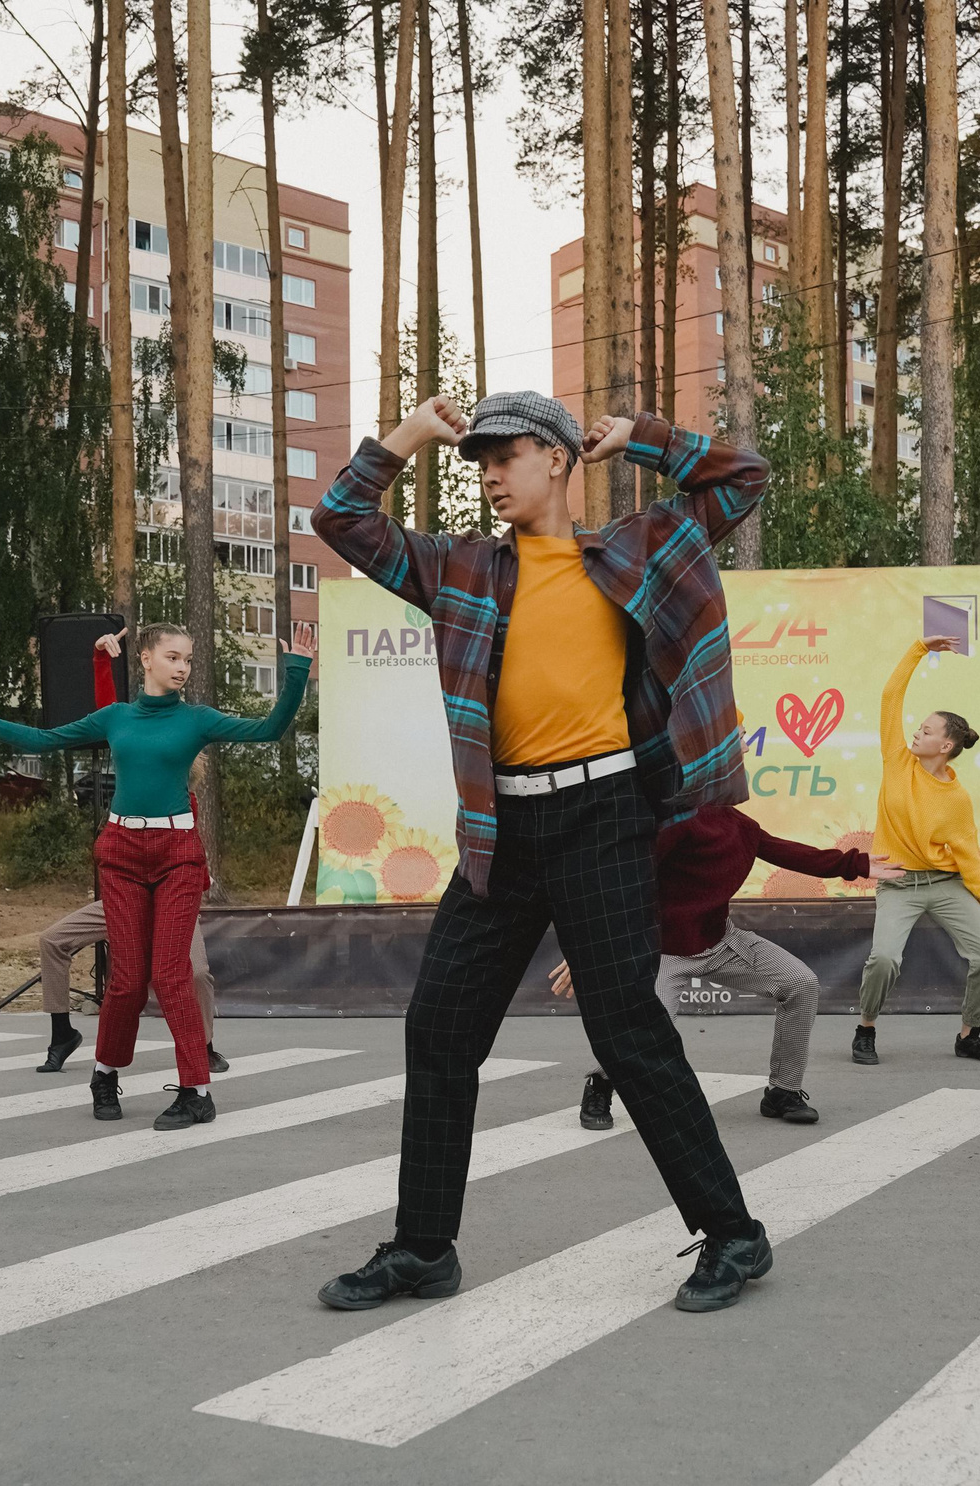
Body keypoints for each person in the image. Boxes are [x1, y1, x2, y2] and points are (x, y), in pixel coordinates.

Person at [310, 389, 773, 1314]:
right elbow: (343, 518)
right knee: (439, 1029)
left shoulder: (637, 545)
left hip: (604, 817)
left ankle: (734, 1234)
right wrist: (410, 434)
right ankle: (423, 1248)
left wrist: (639, 439)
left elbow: (742, 479)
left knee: (627, 1033)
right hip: (501, 831)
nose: (486, 473)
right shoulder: (461, 569)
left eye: (505, 454)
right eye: (476, 459)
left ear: (559, 458)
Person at [0, 622, 312, 1130]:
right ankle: (105, 1074)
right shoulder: (116, 717)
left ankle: (197, 1091)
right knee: (124, 980)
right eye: (173, 657)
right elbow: (40, 740)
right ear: (146, 659)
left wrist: (296, 670)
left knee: (171, 976)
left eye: (188, 660)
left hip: (177, 854)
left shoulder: (196, 720)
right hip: (122, 854)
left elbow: (270, 728)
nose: (183, 667)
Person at [551, 805, 899, 1127]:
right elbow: (624, 882)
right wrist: (592, 943)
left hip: (721, 943)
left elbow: (787, 851)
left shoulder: (738, 825)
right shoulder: (671, 822)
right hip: (660, 953)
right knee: (647, 1030)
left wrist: (856, 865)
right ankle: (601, 1082)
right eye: (739, 739)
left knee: (801, 984)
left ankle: (782, 1091)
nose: (743, 748)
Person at [852, 638, 980, 1067]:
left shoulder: (957, 799)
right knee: (884, 958)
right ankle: (865, 1028)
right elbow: (890, 696)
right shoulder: (896, 760)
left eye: (926, 730)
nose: (916, 733)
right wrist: (920, 648)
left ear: (945, 746)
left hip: (944, 884)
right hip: (898, 884)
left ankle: (969, 1034)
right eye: (918, 727)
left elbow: (969, 859)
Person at [32, 892, 225, 1076]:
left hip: (174, 905)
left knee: (197, 974)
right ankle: (62, 1034)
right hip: (125, 902)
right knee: (52, 940)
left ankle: (204, 1047)